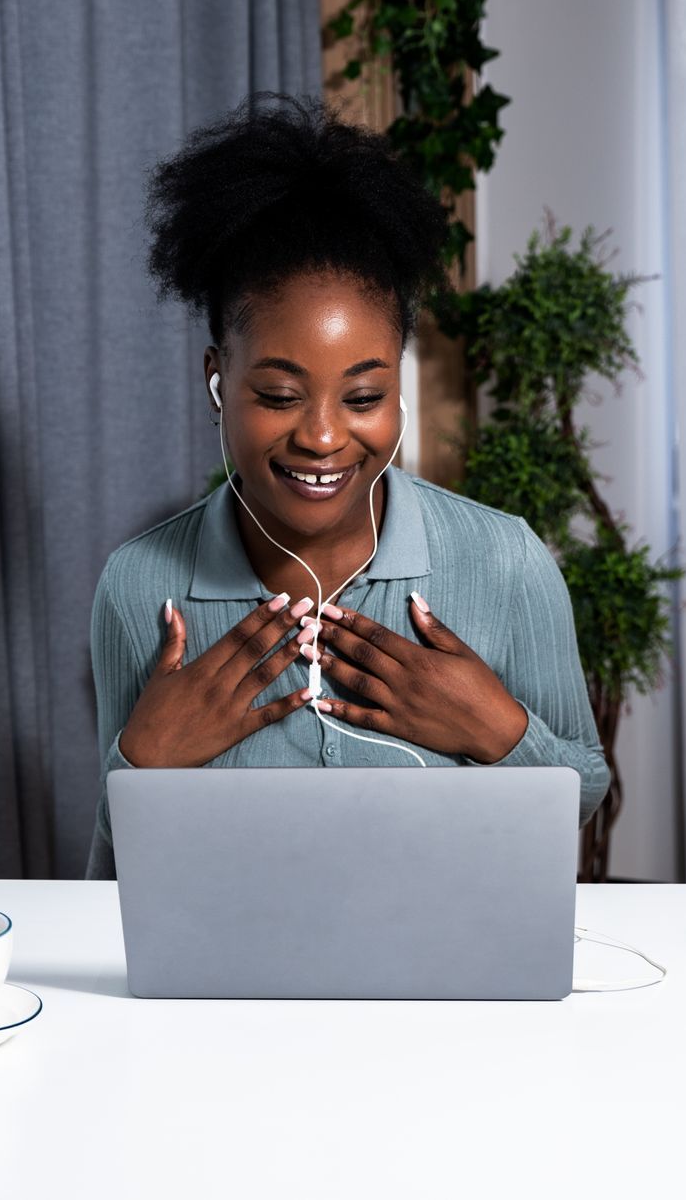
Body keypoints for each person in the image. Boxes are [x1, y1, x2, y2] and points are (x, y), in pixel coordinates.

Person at [85, 93, 611, 881]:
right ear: (218, 380)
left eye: (362, 397)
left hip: (445, 986)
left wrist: (497, 729)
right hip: (225, 996)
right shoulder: (140, 586)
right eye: (278, 395)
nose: (324, 437)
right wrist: (142, 762)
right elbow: (120, 888)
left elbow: (581, 794)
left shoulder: (505, 562)